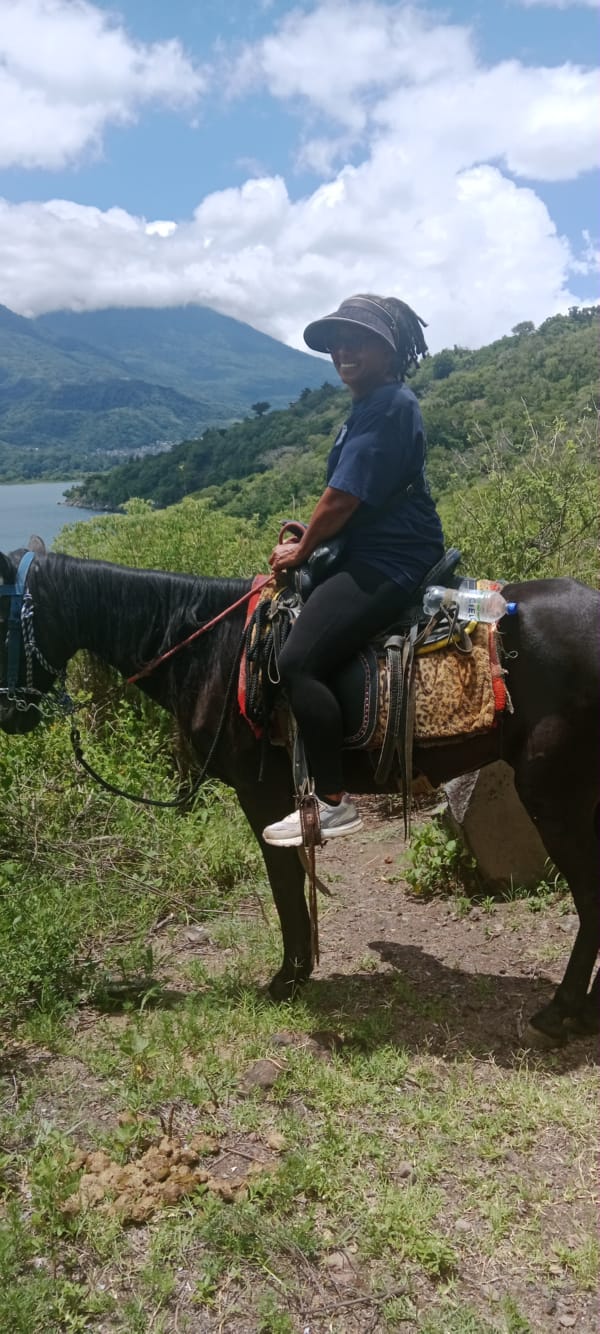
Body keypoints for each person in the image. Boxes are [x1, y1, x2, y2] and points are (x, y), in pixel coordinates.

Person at [262, 293, 444, 848]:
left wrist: (303, 549)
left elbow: (343, 498)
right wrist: (313, 536)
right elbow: (353, 499)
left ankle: (333, 801)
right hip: (372, 549)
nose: (343, 351)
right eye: (337, 343)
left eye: (357, 341)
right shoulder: (371, 406)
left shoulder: (388, 405)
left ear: (388, 352)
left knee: (298, 662)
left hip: (392, 558)